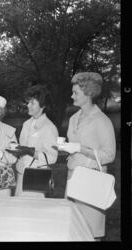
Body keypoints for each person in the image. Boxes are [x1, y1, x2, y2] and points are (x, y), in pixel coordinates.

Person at [58, 72, 116, 240]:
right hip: (72, 179)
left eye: (75, 92)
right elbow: (74, 145)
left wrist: (81, 149)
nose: (71, 95)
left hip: (91, 182)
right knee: (71, 230)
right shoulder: (74, 118)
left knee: (89, 232)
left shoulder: (102, 121)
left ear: (88, 94)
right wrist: (67, 149)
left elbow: (110, 155)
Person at [9, 84, 58, 197]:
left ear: (43, 106)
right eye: (28, 102)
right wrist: (16, 149)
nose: (28, 105)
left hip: (36, 177)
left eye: (32, 103)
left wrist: (30, 151)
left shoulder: (49, 127)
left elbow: (52, 157)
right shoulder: (26, 124)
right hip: (22, 174)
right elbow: (23, 146)